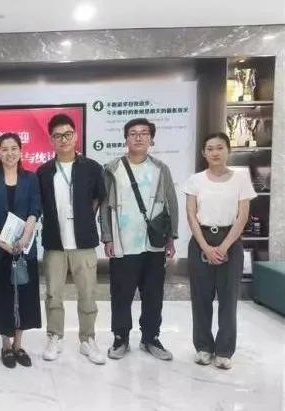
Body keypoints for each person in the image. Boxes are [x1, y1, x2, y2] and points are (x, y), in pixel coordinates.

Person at [100, 118, 178, 362]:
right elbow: (104, 206)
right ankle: (120, 337)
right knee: (121, 295)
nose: (138, 137)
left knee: (153, 295)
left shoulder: (160, 168)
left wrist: (171, 237)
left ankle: (150, 338)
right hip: (123, 243)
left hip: (153, 243)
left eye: (144, 133)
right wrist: (107, 237)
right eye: (133, 133)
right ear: (126, 138)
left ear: (151, 139)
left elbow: (171, 204)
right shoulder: (112, 168)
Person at [37, 113, 107, 365]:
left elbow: (98, 198)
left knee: (87, 293)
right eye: (58, 136)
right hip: (55, 243)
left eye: (67, 134)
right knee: (53, 294)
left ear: (76, 136)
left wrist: (84, 218)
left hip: (83, 243)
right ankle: (54, 336)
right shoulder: (44, 171)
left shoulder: (92, 168)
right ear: (51, 140)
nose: (63, 139)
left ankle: (87, 339)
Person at [182, 132, 256, 370]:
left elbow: (242, 216)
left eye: (220, 148)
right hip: (201, 239)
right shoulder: (195, 180)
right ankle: (203, 347)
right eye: (210, 148)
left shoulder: (241, 180)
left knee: (228, 298)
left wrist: (224, 247)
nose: (215, 153)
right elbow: (191, 215)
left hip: (230, 241)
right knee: (201, 298)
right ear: (204, 153)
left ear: (228, 150)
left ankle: (224, 351)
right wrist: (205, 246)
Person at [0, 133, 42, 368]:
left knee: (24, 296)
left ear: (21, 151)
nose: (9, 153)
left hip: (24, 248)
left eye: (14, 148)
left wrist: (26, 236)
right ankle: (6, 345)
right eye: (4, 149)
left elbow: (35, 208)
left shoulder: (31, 178)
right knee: (1, 296)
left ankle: (18, 344)